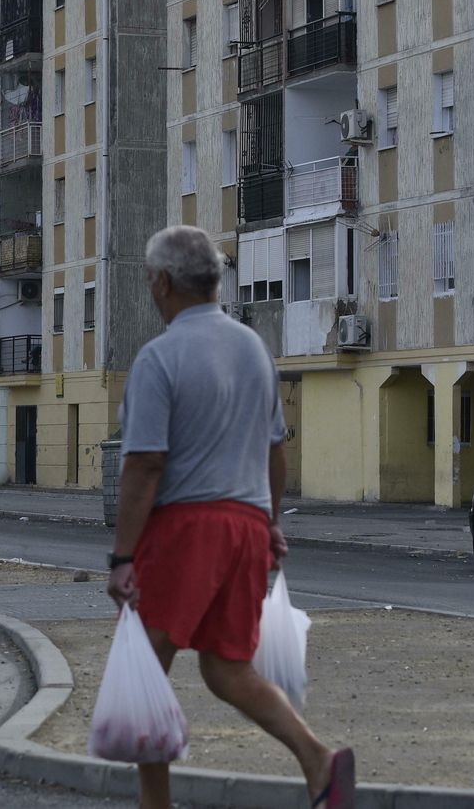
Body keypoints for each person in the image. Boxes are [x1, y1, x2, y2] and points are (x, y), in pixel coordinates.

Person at [108, 225, 354, 809]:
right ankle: (319, 761)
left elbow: (143, 464)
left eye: (149, 280)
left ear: (163, 282)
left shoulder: (159, 357)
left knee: (146, 671)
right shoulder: (253, 349)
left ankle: (155, 806)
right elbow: (276, 448)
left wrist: (122, 555)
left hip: (187, 528)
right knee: (226, 669)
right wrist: (268, 524)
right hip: (245, 525)